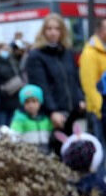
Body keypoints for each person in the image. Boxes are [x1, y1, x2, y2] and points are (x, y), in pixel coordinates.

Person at [25, 13, 85, 153]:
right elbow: (41, 86)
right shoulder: (36, 55)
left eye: (57, 29)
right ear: (44, 31)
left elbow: (74, 79)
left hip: (72, 111)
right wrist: (52, 111)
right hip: (53, 114)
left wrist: (80, 99)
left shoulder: (67, 52)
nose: (53, 32)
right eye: (49, 28)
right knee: (56, 154)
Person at [79, 17, 106, 147]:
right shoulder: (90, 53)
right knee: (101, 149)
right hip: (99, 111)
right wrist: (101, 108)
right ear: (100, 31)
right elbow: (90, 86)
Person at [9, 84, 53, 154]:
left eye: (34, 101)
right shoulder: (19, 120)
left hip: (46, 153)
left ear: (40, 102)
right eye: (27, 102)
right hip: (28, 155)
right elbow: (14, 137)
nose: (31, 105)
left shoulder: (46, 119)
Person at [0, 43, 24, 127]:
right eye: (4, 49)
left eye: (7, 49)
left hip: (14, 98)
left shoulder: (11, 61)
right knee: (1, 125)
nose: (6, 52)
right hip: (2, 99)